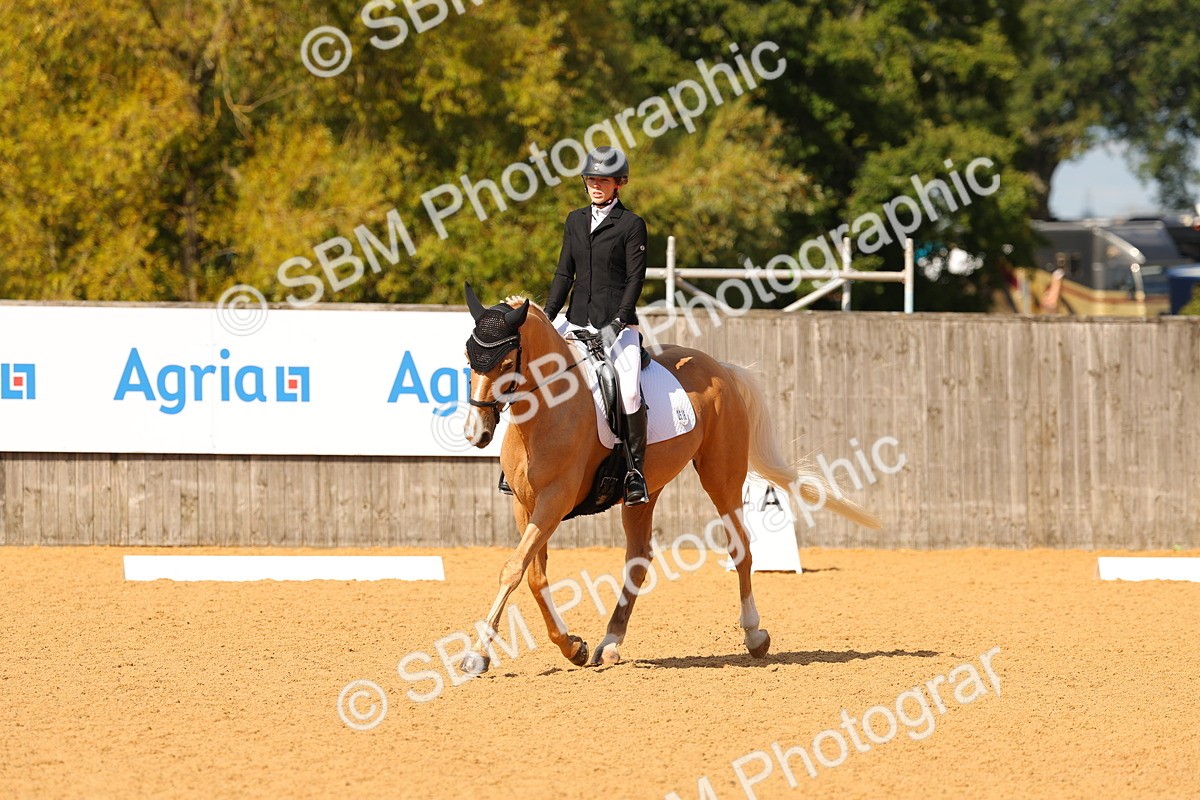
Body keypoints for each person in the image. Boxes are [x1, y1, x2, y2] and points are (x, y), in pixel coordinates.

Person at [542, 145, 650, 505]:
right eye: (591, 179)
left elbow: (635, 280)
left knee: (630, 391)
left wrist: (619, 321)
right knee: (537, 372)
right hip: (577, 323)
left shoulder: (632, 225)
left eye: (603, 180)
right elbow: (563, 273)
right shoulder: (574, 220)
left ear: (619, 183)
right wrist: (548, 315)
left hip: (617, 327)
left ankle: (635, 473)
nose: (596, 185)